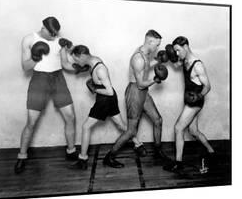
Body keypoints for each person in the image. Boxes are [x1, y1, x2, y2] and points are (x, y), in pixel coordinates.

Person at [14, 16, 88, 174]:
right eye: (51, 33)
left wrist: (77, 68)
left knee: (70, 117)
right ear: (44, 28)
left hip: (58, 79)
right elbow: (25, 67)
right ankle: (22, 156)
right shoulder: (29, 39)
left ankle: (70, 150)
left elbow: (65, 64)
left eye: (56, 34)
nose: (54, 36)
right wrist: (36, 57)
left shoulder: (59, 41)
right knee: (31, 122)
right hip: (39, 80)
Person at [65, 45, 145, 170]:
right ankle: (139, 145)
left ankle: (83, 159)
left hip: (105, 100)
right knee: (121, 125)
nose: (77, 62)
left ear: (83, 56)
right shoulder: (94, 60)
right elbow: (86, 67)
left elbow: (109, 92)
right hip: (108, 100)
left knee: (86, 126)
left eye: (77, 59)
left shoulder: (100, 69)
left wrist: (95, 88)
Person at [103, 30, 169, 168]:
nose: (157, 48)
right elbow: (140, 83)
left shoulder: (145, 53)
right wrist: (156, 79)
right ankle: (110, 157)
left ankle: (157, 151)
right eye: (156, 45)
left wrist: (158, 61)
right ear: (150, 41)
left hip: (143, 93)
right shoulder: (138, 58)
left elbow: (146, 68)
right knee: (131, 131)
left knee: (158, 120)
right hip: (135, 93)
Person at [163, 36, 215, 173]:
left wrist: (198, 96)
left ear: (186, 47)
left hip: (195, 101)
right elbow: (176, 65)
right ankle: (211, 152)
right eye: (176, 51)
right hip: (189, 99)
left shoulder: (197, 65)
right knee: (193, 131)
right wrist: (168, 56)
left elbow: (208, 86)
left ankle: (178, 163)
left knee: (178, 128)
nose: (177, 54)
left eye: (178, 50)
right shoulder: (184, 59)